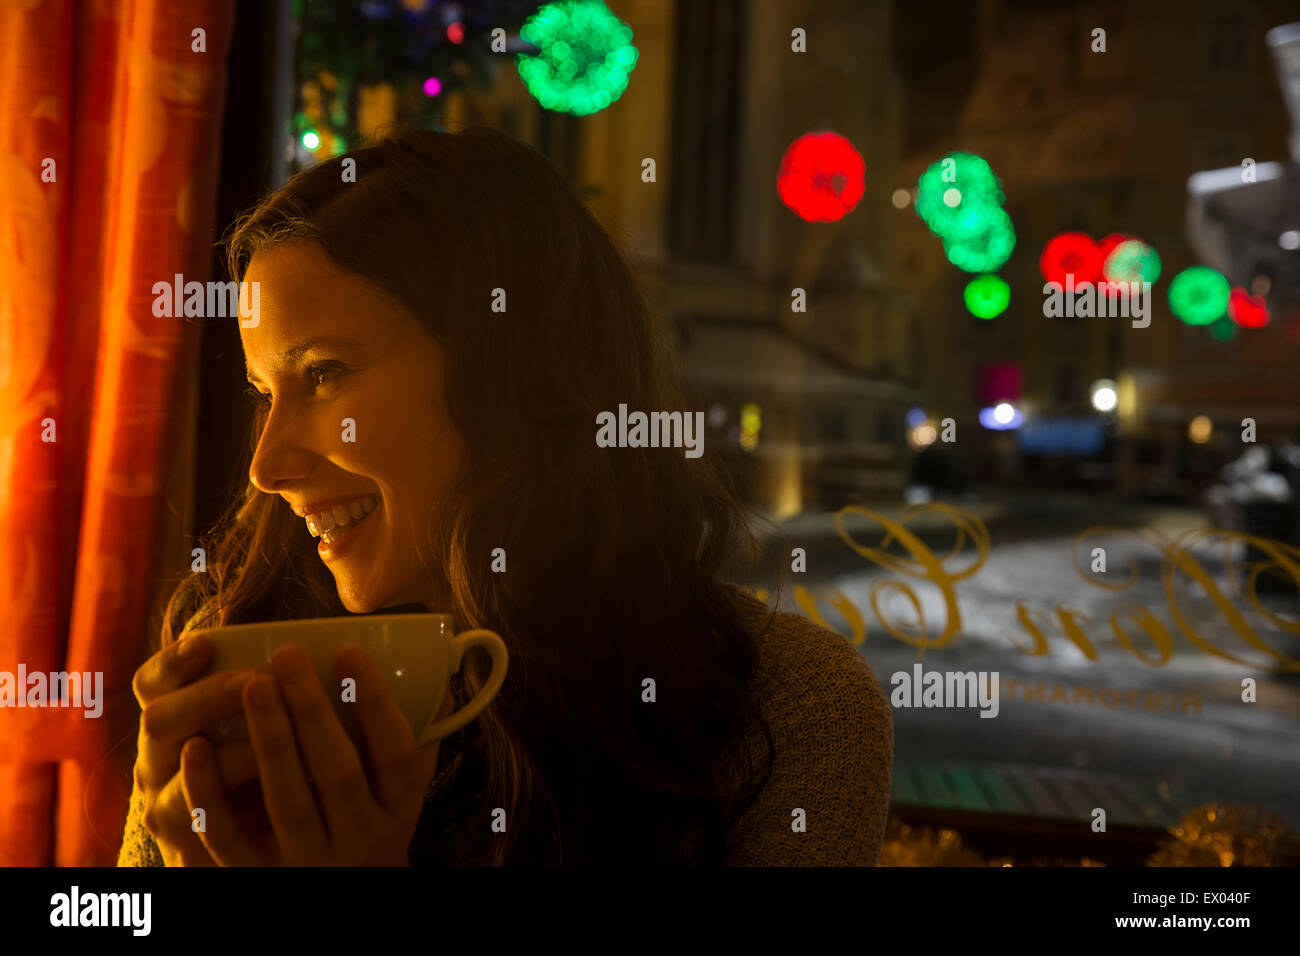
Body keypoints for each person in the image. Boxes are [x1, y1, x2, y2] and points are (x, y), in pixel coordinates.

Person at [117, 125, 893, 866]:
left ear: (510, 383)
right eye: (263, 392)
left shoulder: (787, 709)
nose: (266, 466)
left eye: (324, 373)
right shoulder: (232, 636)